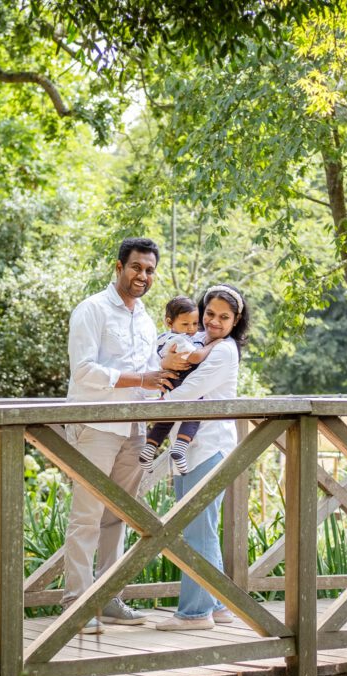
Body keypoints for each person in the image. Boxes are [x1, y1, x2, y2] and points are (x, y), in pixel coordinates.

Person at [64, 237, 185, 635]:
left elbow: (149, 373)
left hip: (134, 430)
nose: (143, 276)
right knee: (86, 516)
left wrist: (170, 369)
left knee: (117, 517)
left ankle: (109, 597)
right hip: (95, 426)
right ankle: (76, 606)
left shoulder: (147, 320)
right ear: (118, 267)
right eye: (136, 267)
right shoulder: (92, 310)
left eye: (149, 270)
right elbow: (83, 371)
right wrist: (142, 377)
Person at [153, 283, 250, 631]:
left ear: (235, 320)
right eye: (209, 314)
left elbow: (191, 390)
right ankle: (218, 604)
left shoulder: (223, 350)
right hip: (191, 448)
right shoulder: (198, 344)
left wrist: (153, 403)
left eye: (224, 317)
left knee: (198, 532)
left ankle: (195, 614)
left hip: (209, 445)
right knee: (199, 528)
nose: (214, 321)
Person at [139, 296, 218, 474]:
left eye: (195, 324)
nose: (191, 329)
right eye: (185, 324)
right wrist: (214, 344)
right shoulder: (180, 340)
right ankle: (180, 449)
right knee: (197, 411)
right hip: (182, 380)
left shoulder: (163, 338)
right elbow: (195, 357)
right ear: (169, 322)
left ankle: (149, 449)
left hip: (170, 382)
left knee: (166, 419)